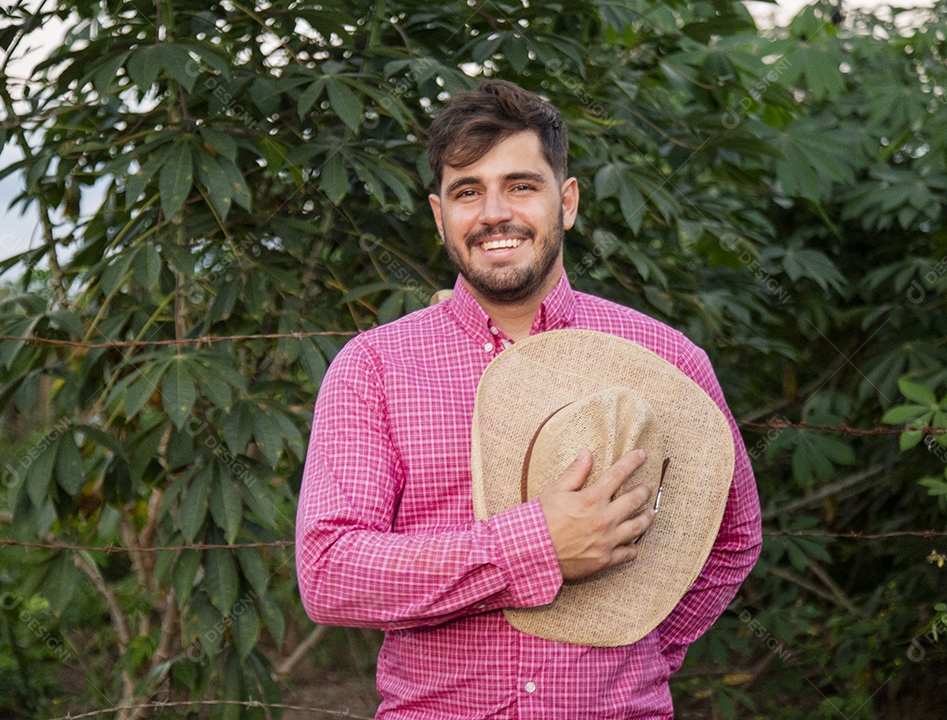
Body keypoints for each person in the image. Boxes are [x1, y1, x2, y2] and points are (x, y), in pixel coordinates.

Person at [295, 79, 762, 718]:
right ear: (439, 216)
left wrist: (642, 641)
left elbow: (732, 538)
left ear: (566, 201)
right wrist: (538, 545)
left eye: (521, 185)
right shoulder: (374, 367)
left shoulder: (666, 359)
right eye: (468, 191)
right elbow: (330, 572)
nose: (494, 213)